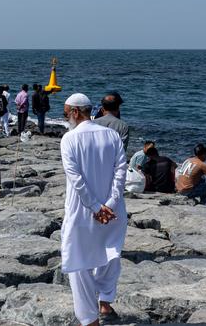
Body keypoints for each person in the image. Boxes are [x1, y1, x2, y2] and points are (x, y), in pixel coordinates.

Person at [59, 93, 128, 326]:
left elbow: (76, 180)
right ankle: (105, 302)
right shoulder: (113, 135)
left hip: (83, 212)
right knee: (110, 255)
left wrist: (97, 207)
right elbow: (121, 172)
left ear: (76, 112)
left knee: (79, 264)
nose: (66, 116)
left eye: (66, 112)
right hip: (113, 211)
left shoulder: (69, 139)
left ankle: (89, 320)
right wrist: (110, 203)